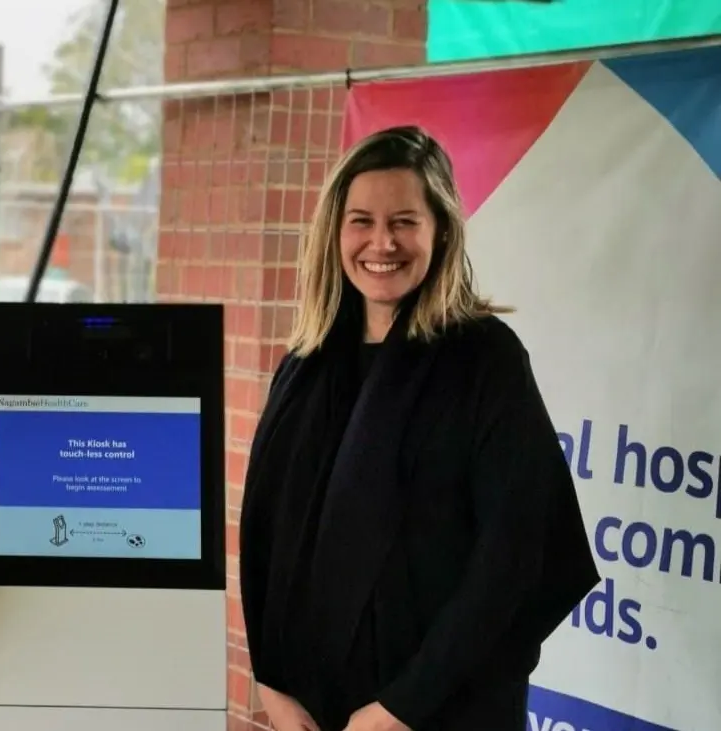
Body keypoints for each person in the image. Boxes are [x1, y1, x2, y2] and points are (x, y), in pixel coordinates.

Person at [237, 125, 601, 731]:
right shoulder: (306, 363)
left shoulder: (484, 359)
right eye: (361, 221)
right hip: (316, 706)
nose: (382, 242)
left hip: (444, 707)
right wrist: (271, 678)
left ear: (440, 230)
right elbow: (265, 534)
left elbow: (514, 553)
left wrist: (402, 706)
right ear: (334, 231)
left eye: (404, 220)